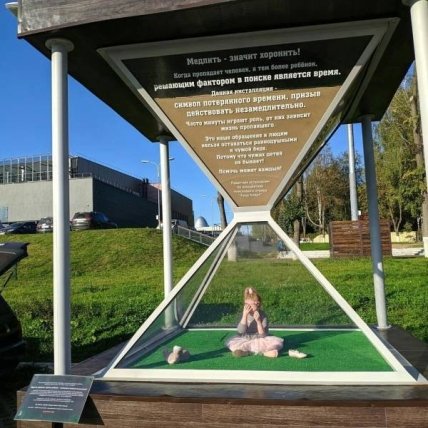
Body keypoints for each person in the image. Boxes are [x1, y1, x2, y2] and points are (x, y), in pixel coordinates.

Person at [225, 287, 284, 358]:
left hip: (260, 338)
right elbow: (240, 332)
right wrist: (244, 316)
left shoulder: (263, 315)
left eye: (250, 305)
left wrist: (258, 321)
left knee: (275, 343)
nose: (248, 308)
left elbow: (263, 335)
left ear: (257, 304)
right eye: (246, 305)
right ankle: (246, 352)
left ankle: (265, 352)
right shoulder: (244, 314)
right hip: (245, 338)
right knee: (233, 344)